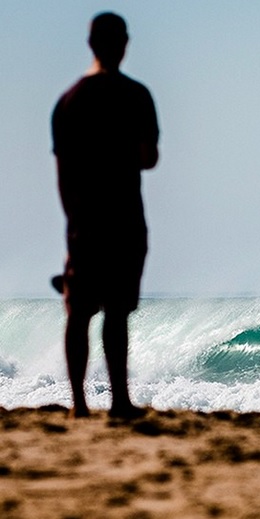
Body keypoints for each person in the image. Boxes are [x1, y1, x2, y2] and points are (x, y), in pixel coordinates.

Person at [51, 12, 159, 419]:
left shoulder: (70, 100)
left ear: (90, 43)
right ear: (124, 44)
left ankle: (79, 404)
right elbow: (149, 159)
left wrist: (72, 225)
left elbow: (62, 174)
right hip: (126, 215)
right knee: (116, 311)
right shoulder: (137, 96)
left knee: (78, 312)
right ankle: (118, 401)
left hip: (84, 219)